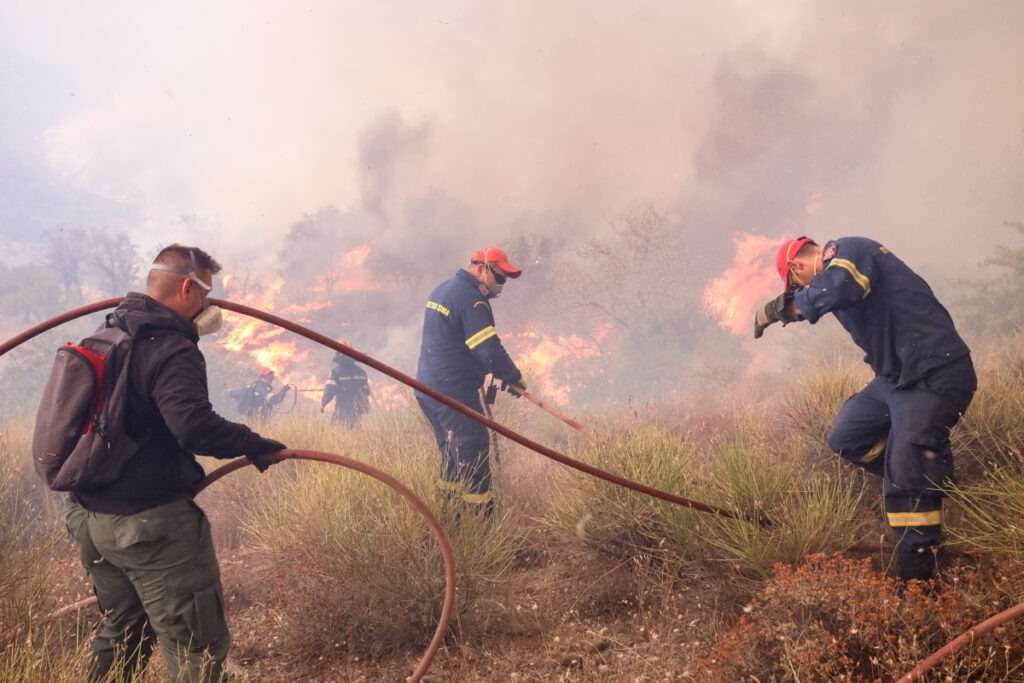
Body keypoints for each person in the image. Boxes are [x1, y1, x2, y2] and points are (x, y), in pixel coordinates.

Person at [62, 244, 286, 681]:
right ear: (187, 287)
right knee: (196, 644)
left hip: (89, 517)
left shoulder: (109, 333)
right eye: (206, 295)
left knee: (124, 627)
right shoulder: (172, 347)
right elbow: (193, 426)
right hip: (149, 529)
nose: (209, 306)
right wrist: (253, 443)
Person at [754, 236, 976, 580]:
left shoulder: (847, 252)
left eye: (796, 285)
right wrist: (790, 309)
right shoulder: (832, 277)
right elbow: (825, 296)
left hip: (935, 374)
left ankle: (919, 587)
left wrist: (780, 309)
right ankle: (928, 472)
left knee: (905, 485)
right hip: (895, 380)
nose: (800, 291)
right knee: (847, 436)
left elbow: (839, 288)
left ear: (797, 267)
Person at [415, 247, 526, 515]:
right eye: (499, 278)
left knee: (453, 454)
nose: (501, 285)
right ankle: (480, 528)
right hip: (452, 392)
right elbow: (487, 348)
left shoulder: (443, 290)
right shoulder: (472, 299)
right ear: (480, 269)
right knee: (473, 450)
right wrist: (513, 377)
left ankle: (449, 519)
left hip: (428, 389)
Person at [321, 342, 371, 424]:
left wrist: (323, 404)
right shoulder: (362, 372)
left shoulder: (336, 372)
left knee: (335, 431)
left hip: (342, 409)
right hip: (357, 411)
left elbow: (329, 390)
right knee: (354, 432)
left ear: (338, 355)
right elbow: (366, 392)